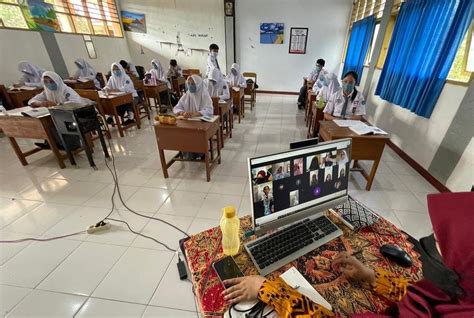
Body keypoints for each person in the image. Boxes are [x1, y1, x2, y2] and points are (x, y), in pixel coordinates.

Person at [222, 192, 474, 317]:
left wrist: (265, 287)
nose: (424, 248)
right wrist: (373, 278)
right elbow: (431, 299)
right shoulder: (463, 303)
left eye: (440, 243)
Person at [28, 71, 86, 150]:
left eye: (51, 81)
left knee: (55, 123)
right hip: (58, 115)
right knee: (46, 123)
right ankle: (52, 143)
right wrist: (40, 103)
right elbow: (32, 101)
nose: (49, 84)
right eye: (46, 82)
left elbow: (75, 103)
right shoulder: (47, 92)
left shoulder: (66, 90)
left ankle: (72, 145)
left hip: (75, 115)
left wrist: (57, 105)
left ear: (57, 80)